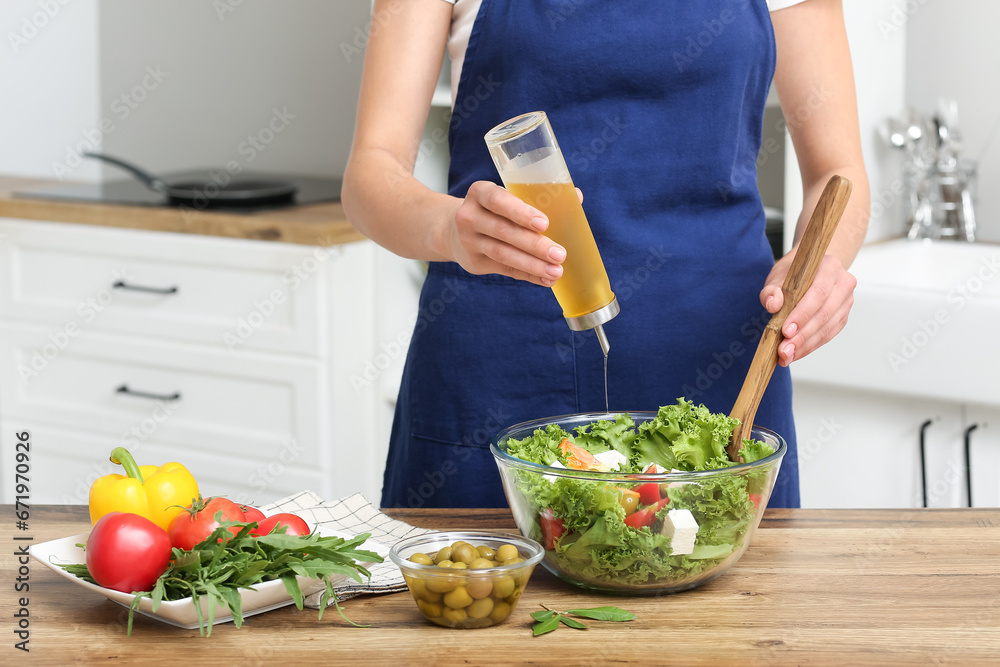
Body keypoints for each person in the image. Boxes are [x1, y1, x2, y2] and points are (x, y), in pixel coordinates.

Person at [342, 0, 870, 509]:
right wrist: (449, 229)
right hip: (503, 363)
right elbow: (372, 171)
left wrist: (820, 263)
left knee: (738, 595)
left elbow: (836, 169)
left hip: (722, 360)